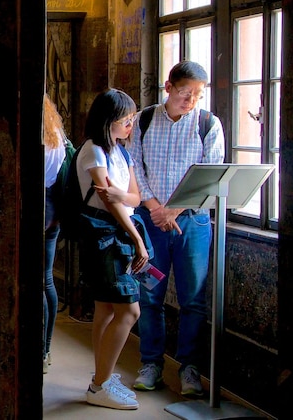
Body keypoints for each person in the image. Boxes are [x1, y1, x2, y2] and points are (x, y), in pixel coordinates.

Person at [129, 60, 225, 397]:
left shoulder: (208, 124)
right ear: (168, 88)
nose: (191, 102)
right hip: (151, 221)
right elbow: (134, 167)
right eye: (186, 94)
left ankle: (189, 369)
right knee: (149, 294)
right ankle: (151, 363)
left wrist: (174, 209)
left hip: (192, 221)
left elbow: (209, 174)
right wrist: (156, 208)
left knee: (193, 300)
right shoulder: (143, 120)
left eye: (198, 96)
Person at [77, 88, 150, 410]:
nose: (130, 126)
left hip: (121, 228)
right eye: (125, 120)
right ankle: (98, 386)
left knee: (107, 309)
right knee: (129, 310)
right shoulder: (94, 150)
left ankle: (103, 378)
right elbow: (110, 200)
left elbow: (133, 198)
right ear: (108, 122)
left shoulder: (122, 153)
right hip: (105, 233)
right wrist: (136, 239)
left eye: (132, 120)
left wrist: (122, 196)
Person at [42, 94, 67, 374]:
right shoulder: (55, 130)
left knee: (37, 281)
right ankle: (45, 349)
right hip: (53, 204)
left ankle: (39, 349)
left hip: (38, 202)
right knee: (46, 279)